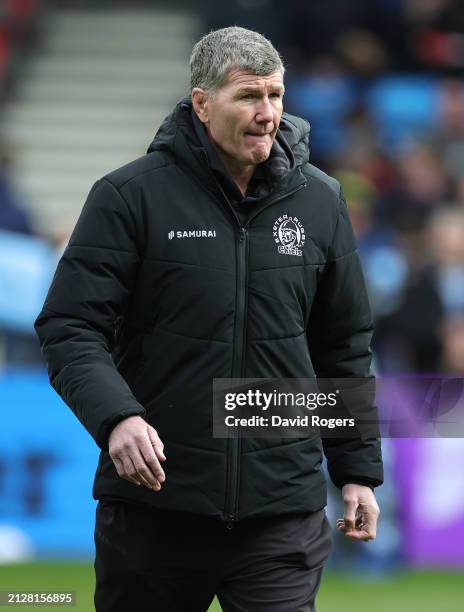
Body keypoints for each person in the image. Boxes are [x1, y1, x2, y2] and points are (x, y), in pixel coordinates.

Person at [34, 26, 383, 612]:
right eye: (249, 96)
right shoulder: (129, 197)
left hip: (282, 511)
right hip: (156, 509)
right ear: (201, 103)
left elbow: (342, 345)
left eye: (275, 95)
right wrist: (118, 418)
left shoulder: (320, 200)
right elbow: (70, 326)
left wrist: (356, 472)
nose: (268, 113)